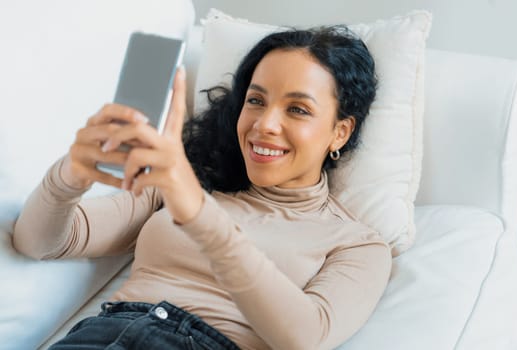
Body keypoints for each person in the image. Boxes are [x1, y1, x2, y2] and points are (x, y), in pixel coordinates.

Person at [13, 25, 392, 350]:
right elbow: (39, 242)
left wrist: (200, 216)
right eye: (256, 101)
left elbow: (304, 337)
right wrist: (70, 177)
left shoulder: (357, 244)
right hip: (98, 336)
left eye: (297, 109)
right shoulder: (185, 182)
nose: (264, 125)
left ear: (340, 131)